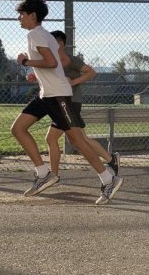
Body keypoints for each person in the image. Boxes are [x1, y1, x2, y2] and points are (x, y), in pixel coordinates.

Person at [9, 0, 122, 202]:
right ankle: (43, 173)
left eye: (22, 14)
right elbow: (53, 62)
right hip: (46, 94)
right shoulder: (43, 35)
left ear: (32, 15)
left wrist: (26, 61)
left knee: (77, 140)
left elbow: (51, 63)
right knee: (18, 128)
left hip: (57, 95)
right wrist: (34, 66)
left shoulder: (35, 34)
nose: (19, 18)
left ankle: (108, 179)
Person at [47, 30, 120, 180]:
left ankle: (53, 175)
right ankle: (111, 160)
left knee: (51, 138)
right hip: (62, 103)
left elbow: (91, 72)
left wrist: (72, 82)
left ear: (60, 43)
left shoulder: (71, 60)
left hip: (71, 103)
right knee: (82, 139)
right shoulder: (52, 60)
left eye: (51, 41)